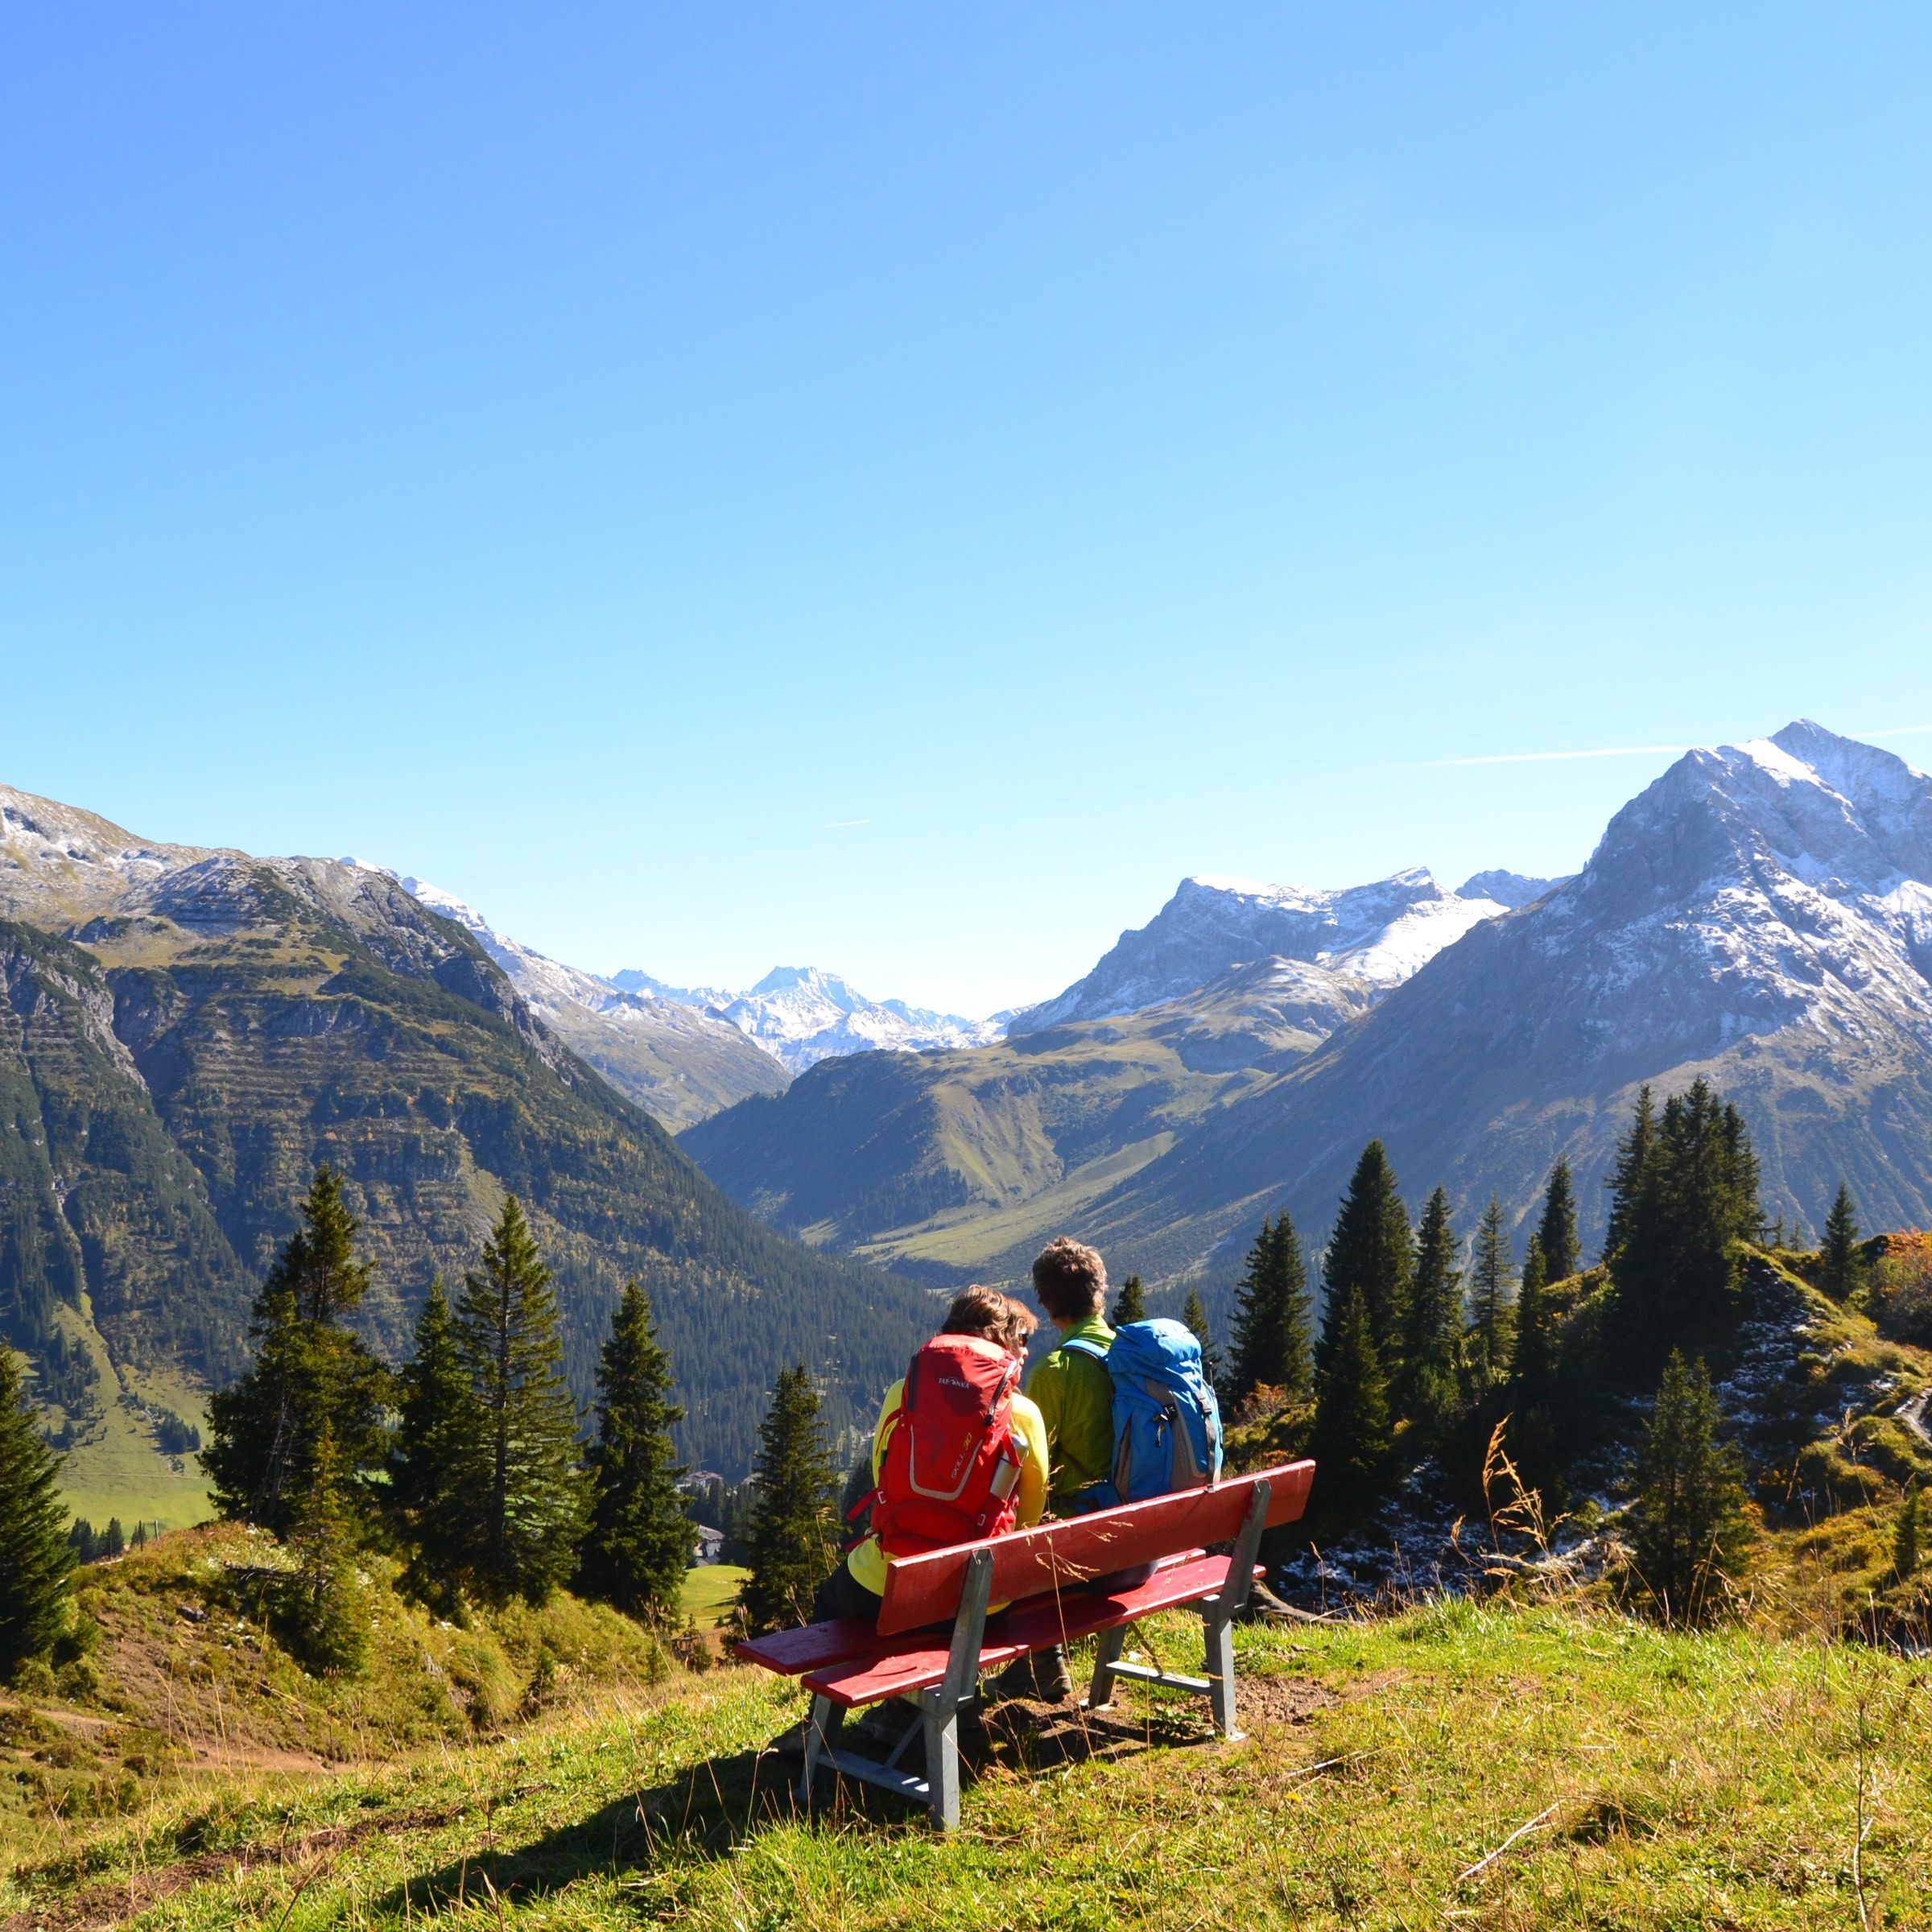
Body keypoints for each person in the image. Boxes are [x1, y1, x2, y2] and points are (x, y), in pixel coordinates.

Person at [810, 1286, 1049, 1625]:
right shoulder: (1023, 1413)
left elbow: (883, 1480)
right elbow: (1031, 1515)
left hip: (886, 1584)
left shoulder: (903, 1392)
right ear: (1004, 1341)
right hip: (981, 1597)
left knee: (829, 1603)